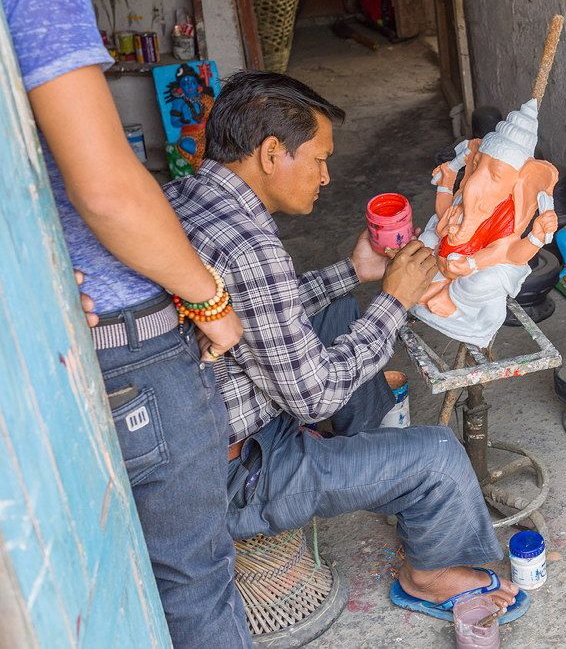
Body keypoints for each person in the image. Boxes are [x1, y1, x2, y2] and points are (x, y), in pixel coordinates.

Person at [164, 71, 526, 620]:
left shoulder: (191, 196)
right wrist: (396, 300)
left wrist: (352, 272)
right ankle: (428, 575)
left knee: (337, 311)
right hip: (239, 471)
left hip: (207, 422)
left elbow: (266, 308)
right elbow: (314, 396)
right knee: (437, 454)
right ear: (269, 154)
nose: (327, 177)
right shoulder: (249, 243)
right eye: (318, 159)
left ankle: (363, 451)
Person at [0, 0, 252, 646]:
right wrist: (209, 297)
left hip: (43, 345)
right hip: (128, 343)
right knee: (193, 588)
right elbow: (107, 190)